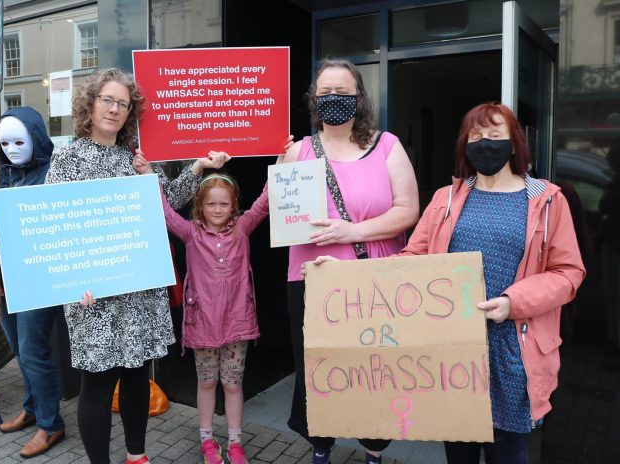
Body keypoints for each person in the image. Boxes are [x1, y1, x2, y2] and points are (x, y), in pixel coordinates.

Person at [44, 67, 228, 464]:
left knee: (135, 376)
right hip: (93, 294)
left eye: (123, 104)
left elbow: (171, 200)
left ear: (131, 112)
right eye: (107, 100)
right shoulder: (68, 158)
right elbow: (56, 225)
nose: (114, 109)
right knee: (95, 384)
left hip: (139, 289)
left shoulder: (137, 157)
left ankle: (136, 456)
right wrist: (74, 280)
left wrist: (198, 168)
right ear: (89, 104)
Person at [396, 102, 585, 463]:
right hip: (454, 350)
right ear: (465, 144)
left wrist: (513, 303)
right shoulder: (445, 199)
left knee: (508, 452)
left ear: (514, 144)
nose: (484, 143)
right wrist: (341, 275)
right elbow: (411, 262)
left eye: (495, 135)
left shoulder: (546, 200)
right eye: (476, 135)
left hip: (511, 350)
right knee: (459, 450)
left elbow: (568, 273)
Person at [279, 58, 419, 464]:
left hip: (373, 284)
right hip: (311, 283)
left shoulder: (387, 146)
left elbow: (409, 210)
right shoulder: (297, 152)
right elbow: (282, 217)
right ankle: (320, 450)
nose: (334, 99)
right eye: (326, 93)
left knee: (375, 373)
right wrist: (278, 169)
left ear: (359, 99)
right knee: (317, 372)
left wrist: (351, 231)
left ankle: (373, 452)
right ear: (313, 100)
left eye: (343, 92)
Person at [136, 162, 266, 463]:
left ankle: (235, 443)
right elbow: (165, 212)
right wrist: (148, 178)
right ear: (200, 205)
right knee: (207, 382)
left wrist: (283, 164)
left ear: (233, 205)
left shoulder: (243, 228)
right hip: (203, 324)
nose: (218, 209)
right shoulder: (190, 233)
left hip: (237, 322)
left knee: (233, 384)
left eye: (224, 203)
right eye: (211, 204)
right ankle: (207, 442)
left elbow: (264, 203)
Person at [0, 107, 66, 458]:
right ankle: (32, 408)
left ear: (36, 138)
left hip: (38, 280)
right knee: (19, 348)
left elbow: (43, 228)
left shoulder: (53, 175)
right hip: (8, 280)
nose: (12, 149)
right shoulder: (4, 175)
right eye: (5, 143)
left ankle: (50, 423)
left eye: (19, 141)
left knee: (32, 351)